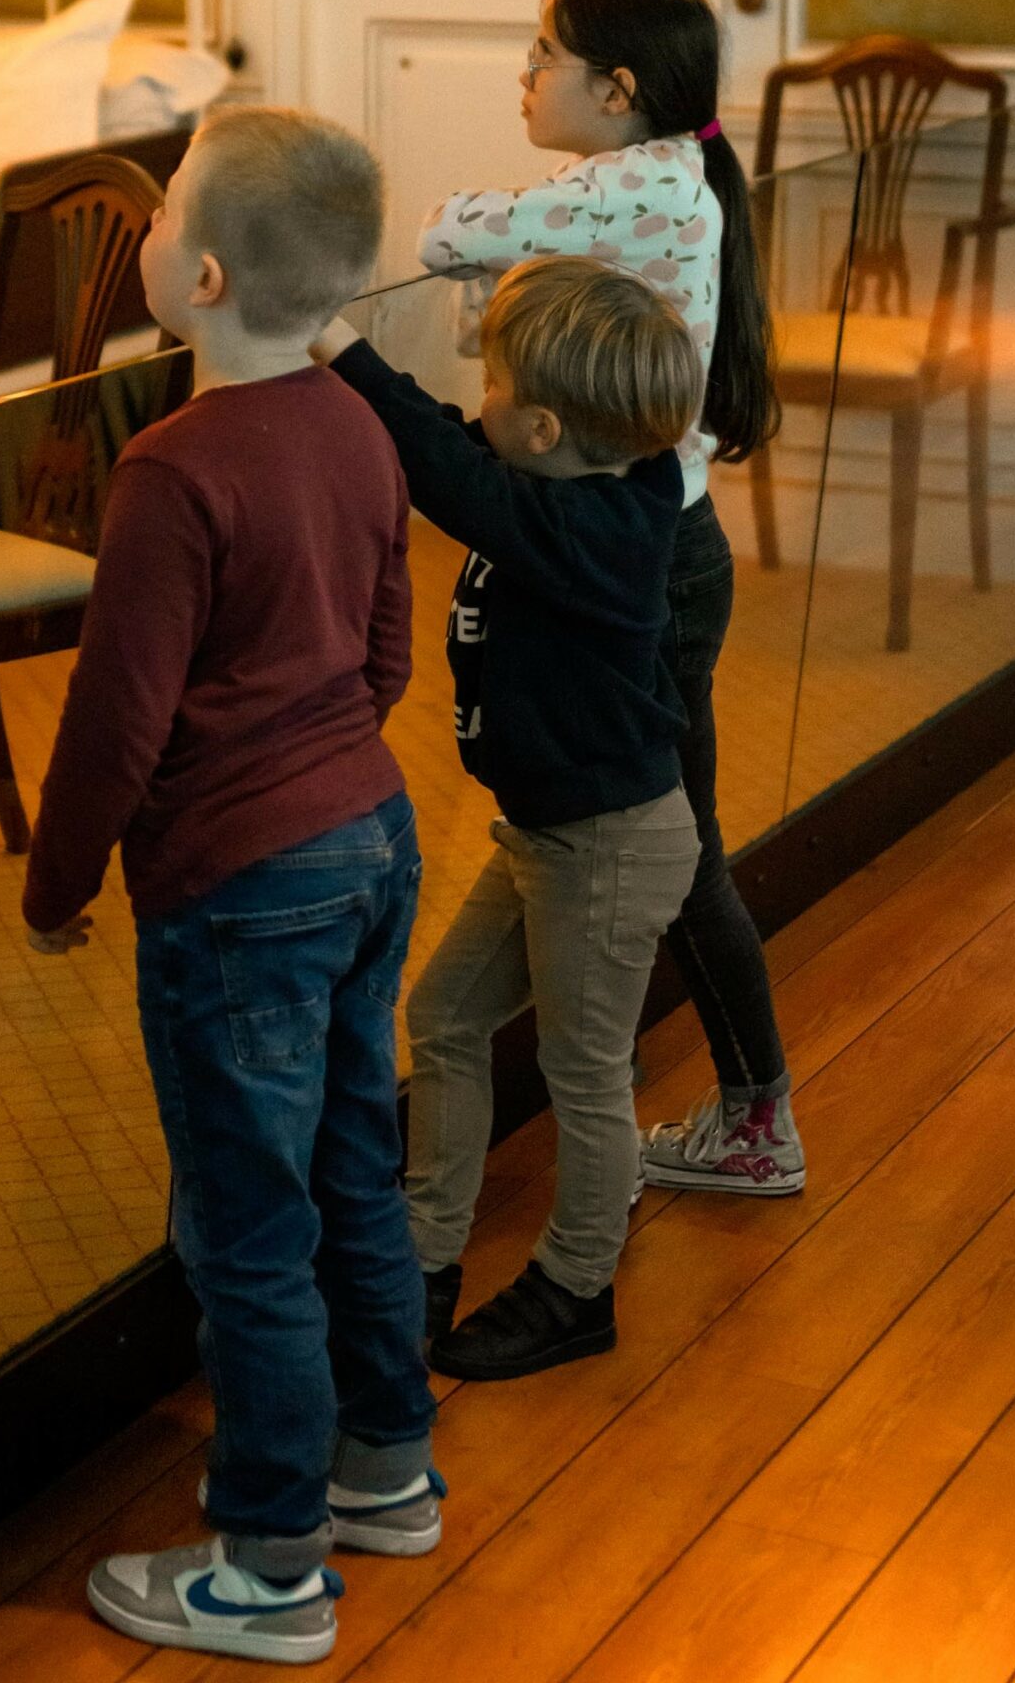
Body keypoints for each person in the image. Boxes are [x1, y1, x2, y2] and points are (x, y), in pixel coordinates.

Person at [21, 106, 440, 1667]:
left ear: (197, 273)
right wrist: (322, 767)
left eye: (162, 207)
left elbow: (115, 723)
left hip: (236, 885)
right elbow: (388, 646)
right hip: (371, 838)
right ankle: (384, 1467)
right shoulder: (358, 426)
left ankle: (270, 1564)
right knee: (348, 1163)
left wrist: (58, 881)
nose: (143, 230)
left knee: (246, 1223)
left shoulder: (169, 471)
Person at [416, 0, 804, 1200]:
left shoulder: (629, 183)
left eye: (543, 54)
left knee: (673, 846)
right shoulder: (655, 181)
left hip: (648, 560)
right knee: (657, 834)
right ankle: (702, 1085)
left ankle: (756, 1116)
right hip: (658, 543)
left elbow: (448, 236)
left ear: (617, 89)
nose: (523, 76)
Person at [316, 255, 703, 1379]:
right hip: (551, 833)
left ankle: (579, 1282)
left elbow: (448, 472)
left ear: (540, 428)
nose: (472, 398)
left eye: (490, 382)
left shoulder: (603, 531)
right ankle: (426, 1253)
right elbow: (451, 439)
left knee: (584, 1071)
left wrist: (338, 345)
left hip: (609, 844)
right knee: (442, 1015)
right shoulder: (560, 478)